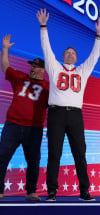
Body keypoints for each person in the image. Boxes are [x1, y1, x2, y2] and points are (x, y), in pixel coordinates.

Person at [36, 8, 100, 201]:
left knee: (80, 154)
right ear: (62, 56)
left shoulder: (82, 71)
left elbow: (94, 57)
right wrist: (43, 27)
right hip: (56, 114)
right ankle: (51, 191)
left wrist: (99, 35)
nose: (69, 54)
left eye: (72, 52)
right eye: (67, 52)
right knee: (54, 153)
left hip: (75, 115)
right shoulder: (54, 67)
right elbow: (46, 49)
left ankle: (85, 191)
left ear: (76, 57)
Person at [0, 35, 49, 201]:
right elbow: (6, 66)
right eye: (32, 66)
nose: (32, 68)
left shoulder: (48, 88)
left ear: (43, 70)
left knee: (34, 161)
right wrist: (5, 49)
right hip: (12, 125)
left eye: (35, 66)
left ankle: (31, 192)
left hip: (34, 129)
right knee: (2, 156)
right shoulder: (20, 77)